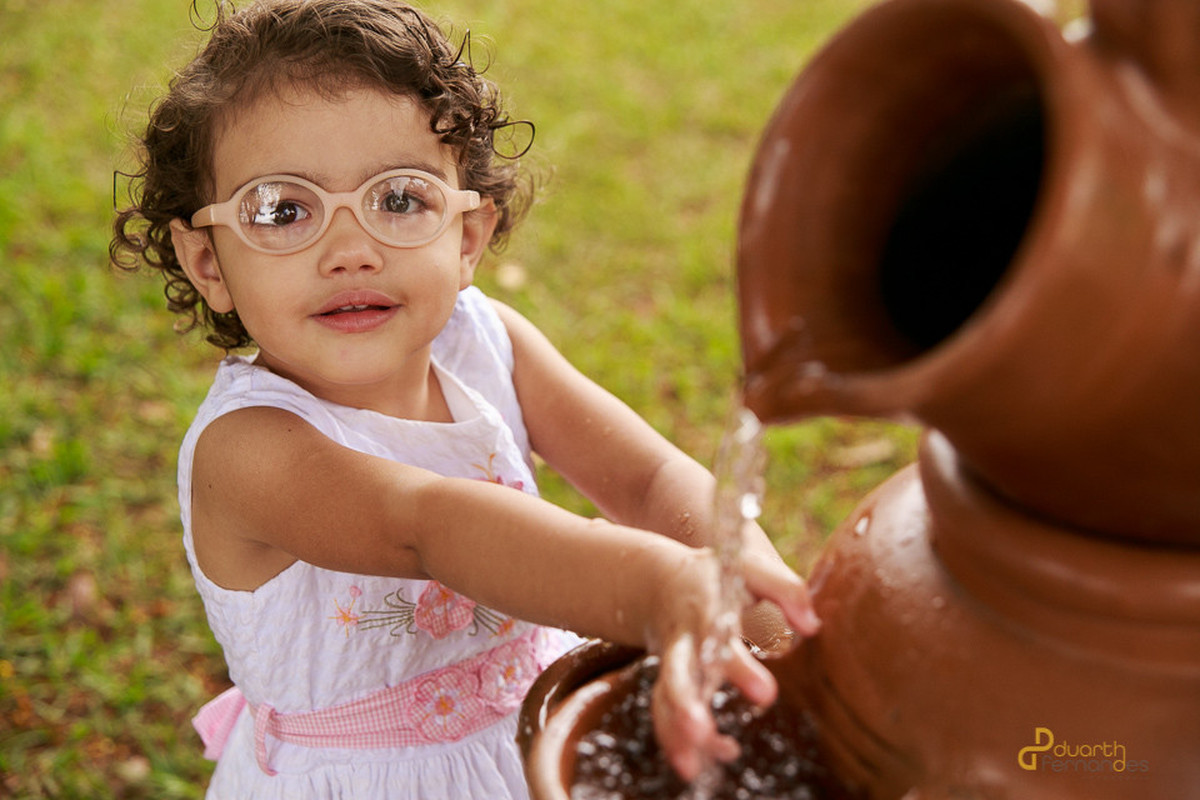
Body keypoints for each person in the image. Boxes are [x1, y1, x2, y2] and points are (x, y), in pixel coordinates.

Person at [111, 1, 819, 797]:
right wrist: (657, 590)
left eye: (400, 199)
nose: (351, 252)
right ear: (206, 261)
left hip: (535, 735)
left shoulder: (488, 343)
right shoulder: (248, 450)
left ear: (468, 237)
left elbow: (646, 479)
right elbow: (429, 527)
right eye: (283, 210)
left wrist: (758, 602)